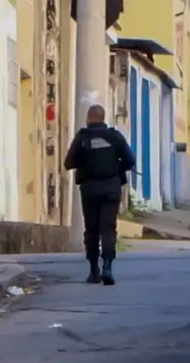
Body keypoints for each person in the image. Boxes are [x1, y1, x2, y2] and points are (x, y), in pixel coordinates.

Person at [63, 105, 135, 285]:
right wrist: (115, 166)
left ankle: (94, 270)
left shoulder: (82, 137)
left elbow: (68, 163)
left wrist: (85, 162)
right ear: (103, 118)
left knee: (92, 229)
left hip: (90, 189)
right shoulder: (115, 136)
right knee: (108, 228)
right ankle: (108, 267)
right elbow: (130, 160)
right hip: (111, 187)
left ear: (88, 118)